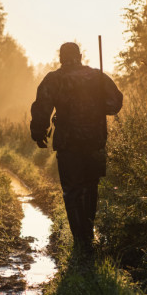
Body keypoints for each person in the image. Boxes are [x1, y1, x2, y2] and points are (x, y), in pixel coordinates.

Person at [30, 42, 123, 254]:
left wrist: (38, 133)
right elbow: (114, 104)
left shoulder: (54, 79)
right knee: (91, 188)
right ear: (80, 56)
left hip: (68, 144)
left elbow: (42, 108)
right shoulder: (98, 77)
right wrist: (98, 101)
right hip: (95, 142)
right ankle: (88, 236)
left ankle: (80, 241)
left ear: (61, 57)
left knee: (72, 191)